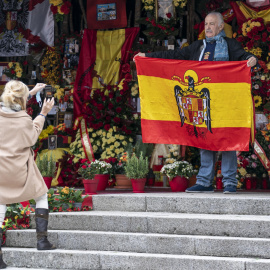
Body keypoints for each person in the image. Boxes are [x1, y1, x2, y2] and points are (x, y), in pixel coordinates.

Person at [135, 12, 258, 194]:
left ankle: (230, 182)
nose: (207, 28)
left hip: (224, 103)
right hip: (202, 103)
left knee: (227, 140)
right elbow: (176, 55)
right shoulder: (197, 47)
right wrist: (146, 56)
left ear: (221, 26)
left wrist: (251, 59)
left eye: (211, 24)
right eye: (206, 24)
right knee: (204, 138)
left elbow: (244, 57)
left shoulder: (231, 45)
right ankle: (204, 182)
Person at [0, 80, 55, 268]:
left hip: (0, 169)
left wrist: (29, 93)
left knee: (0, 205)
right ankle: (42, 241)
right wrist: (43, 113)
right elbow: (32, 136)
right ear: (21, 99)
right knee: (41, 196)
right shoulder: (24, 119)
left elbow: (11, 105)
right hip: (19, 169)